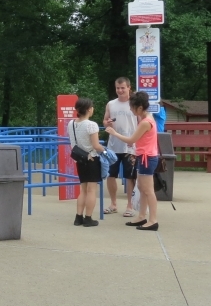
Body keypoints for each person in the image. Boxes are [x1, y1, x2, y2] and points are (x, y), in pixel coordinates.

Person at [106, 91, 160, 231]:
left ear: (140, 108)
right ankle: (141, 216)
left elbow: (131, 140)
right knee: (142, 188)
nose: (130, 109)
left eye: (132, 107)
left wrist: (114, 133)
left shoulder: (145, 122)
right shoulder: (145, 118)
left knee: (148, 190)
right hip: (143, 156)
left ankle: (153, 220)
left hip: (147, 158)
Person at [103, 77, 138, 216]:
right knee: (111, 175)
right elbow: (105, 120)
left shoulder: (134, 103)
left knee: (130, 176)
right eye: (118, 88)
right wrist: (107, 122)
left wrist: (137, 140)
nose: (120, 90)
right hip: (113, 145)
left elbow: (142, 123)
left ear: (129, 87)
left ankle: (130, 206)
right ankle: (113, 204)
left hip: (130, 146)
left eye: (123, 88)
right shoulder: (111, 104)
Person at [69, 98, 106, 227]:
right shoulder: (91, 125)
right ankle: (88, 218)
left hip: (79, 159)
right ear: (89, 109)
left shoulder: (71, 124)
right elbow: (96, 145)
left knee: (83, 190)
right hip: (92, 159)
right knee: (91, 191)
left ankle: (78, 217)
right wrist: (106, 151)